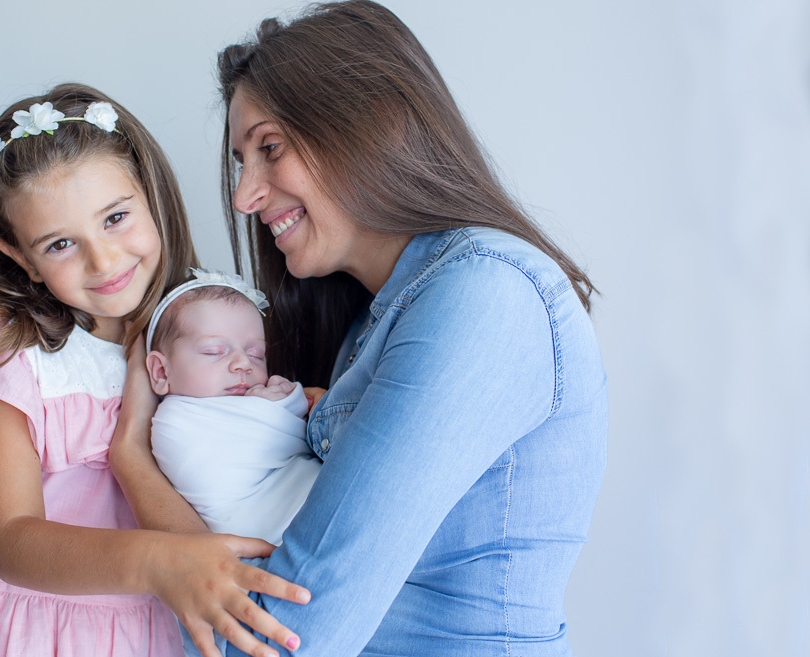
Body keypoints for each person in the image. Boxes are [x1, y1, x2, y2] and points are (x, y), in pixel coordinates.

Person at [169, 1, 607, 655]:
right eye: (241, 161)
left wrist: (134, 466)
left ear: (365, 124)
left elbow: (288, 637)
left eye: (270, 148)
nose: (243, 196)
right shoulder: (372, 323)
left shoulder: (482, 296)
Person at [0, 83, 309, 657]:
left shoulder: (204, 329)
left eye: (115, 217)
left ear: (150, 196)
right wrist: (163, 561)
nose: (104, 261)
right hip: (19, 632)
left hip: (154, 624)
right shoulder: (4, 352)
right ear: (18, 256)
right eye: (60, 243)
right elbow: (14, 543)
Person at [143, 270, 322, 546]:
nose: (244, 364)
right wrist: (281, 405)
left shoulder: (254, 399)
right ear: (161, 372)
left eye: (256, 354)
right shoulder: (174, 422)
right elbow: (212, 477)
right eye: (215, 351)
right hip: (279, 537)